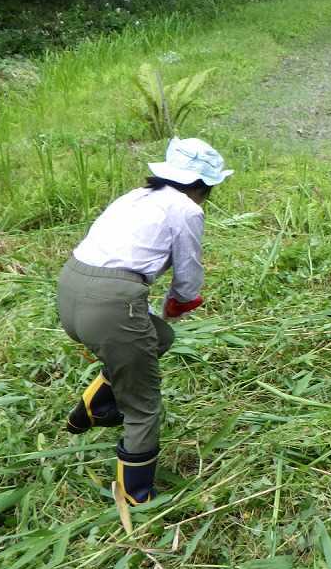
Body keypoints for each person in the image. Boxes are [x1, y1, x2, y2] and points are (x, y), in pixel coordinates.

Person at [57, 137, 232, 504]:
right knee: (143, 405)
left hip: (69, 290)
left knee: (158, 338)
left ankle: (96, 407)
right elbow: (188, 273)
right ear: (203, 186)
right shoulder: (187, 209)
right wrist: (179, 303)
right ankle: (136, 498)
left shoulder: (134, 197)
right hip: (109, 306)